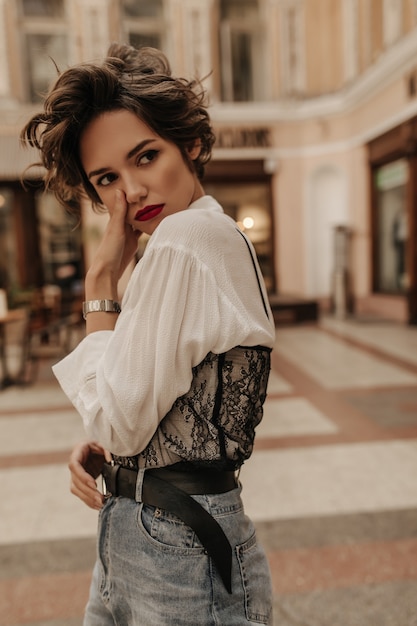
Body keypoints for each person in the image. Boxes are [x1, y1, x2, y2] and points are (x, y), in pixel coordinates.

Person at [21, 43, 275, 625]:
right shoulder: (203, 239)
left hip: (174, 548)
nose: (130, 191)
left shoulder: (185, 240)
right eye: (107, 178)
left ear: (189, 145)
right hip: (151, 528)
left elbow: (117, 418)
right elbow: (137, 413)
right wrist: (118, 458)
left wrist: (100, 282)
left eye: (145, 156)